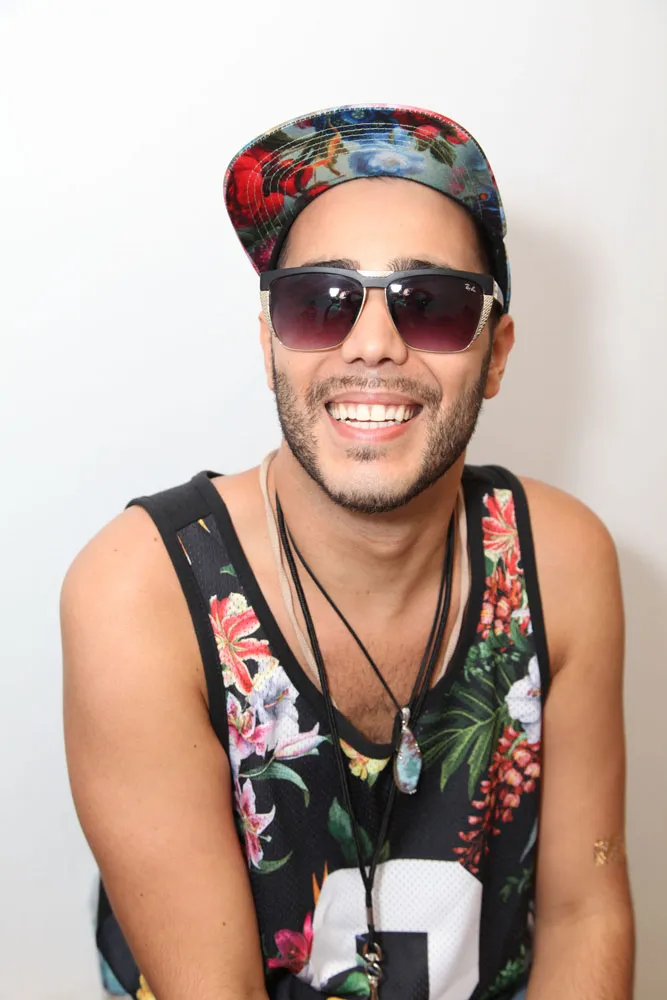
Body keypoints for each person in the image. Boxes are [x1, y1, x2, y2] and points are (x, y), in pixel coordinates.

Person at [61, 104, 634, 1000]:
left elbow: (582, 913)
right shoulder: (141, 594)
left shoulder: (560, 561)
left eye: (431, 305)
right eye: (318, 302)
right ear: (269, 344)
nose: (372, 344)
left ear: (494, 355)